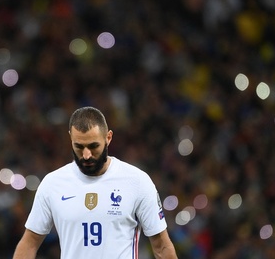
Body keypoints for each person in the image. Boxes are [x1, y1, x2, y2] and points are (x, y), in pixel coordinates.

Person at [13, 106, 178, 259]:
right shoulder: (52, 184)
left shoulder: (137, 182)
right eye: (79, 147)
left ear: (108, 138)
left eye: (93, 146)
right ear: (70, 138)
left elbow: (162, 247)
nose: (86, 155)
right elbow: (29, 243)